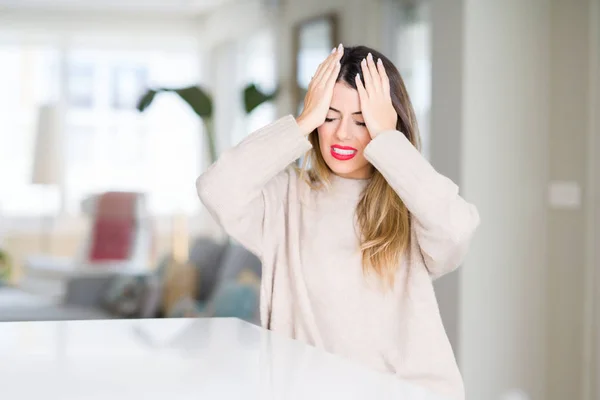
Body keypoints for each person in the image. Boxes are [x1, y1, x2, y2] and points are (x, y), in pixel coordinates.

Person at [196, 43, 480, 400]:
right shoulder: (287, 198)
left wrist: (389, 141)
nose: (343, 133)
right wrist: (302, 123)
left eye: (362, 121)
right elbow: (216, 187)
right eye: (329, 117)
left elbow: (457, 230)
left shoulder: (411, 204)